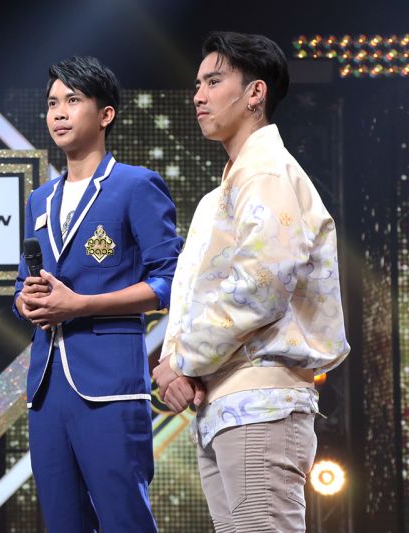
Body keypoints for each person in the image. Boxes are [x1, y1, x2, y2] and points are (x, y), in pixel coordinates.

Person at [152, 31, 350, 532]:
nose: (198, 95)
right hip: (225, 404)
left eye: (214, 81)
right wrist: (177, 368)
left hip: (261, 403)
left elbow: (259, 288)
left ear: (255, 93)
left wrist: (182, 362)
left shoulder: (267, 172)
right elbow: (192, 295)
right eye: (198, 84)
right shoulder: (226, 188)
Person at [13, 55, 182, 532]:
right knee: (62, 522)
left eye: (72, 100)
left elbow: (170, 281)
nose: (59, 113)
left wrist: (81, 306)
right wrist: (25, 301)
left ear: (106, 114)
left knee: (124, 519)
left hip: (110, 385)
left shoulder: (135, 185)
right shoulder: (40, 199)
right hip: (46, 389)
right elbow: (20, 286)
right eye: (52, 103)